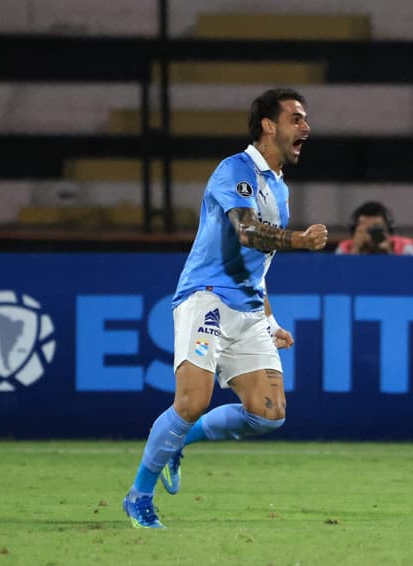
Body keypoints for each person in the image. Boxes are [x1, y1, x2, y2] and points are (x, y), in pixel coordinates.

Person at [122, 88, 328, 528]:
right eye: (295, 118)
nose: (306, 128)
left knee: (269, 414)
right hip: (208, 297)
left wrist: (270, 319)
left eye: (305, 119)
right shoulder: (235, 170)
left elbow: (258, 263)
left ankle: (178, 443)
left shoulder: (280, 187)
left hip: (248, 309)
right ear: (268, 125)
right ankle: (139, 494)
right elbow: (247, 233)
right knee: (192, 401)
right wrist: (299, 240)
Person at [335, 201, 413, 255]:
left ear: (388, 230)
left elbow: (409, 275)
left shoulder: (405, 246)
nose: (371, 235)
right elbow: (340, 275)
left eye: (376, 229)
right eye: (366, 230)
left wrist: (389, 253)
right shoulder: (345, 247)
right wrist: (355, 250)